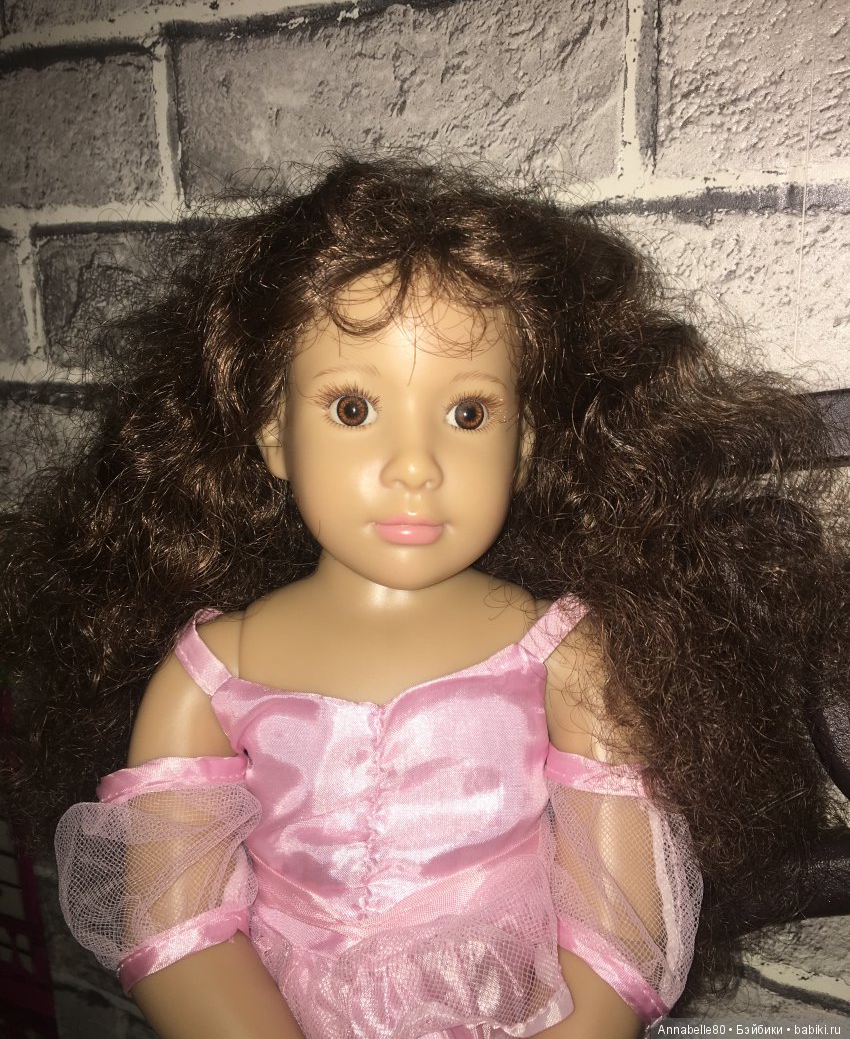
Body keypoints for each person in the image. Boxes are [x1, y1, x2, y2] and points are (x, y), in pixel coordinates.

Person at [2, 157, 847, 1039]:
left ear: (523, 445)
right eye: (353, 408)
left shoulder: (563, 656)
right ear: (274, 432)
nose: (415, 464)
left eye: (468, 414)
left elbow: (622, 923)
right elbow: (178, 929)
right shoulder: (208, 675)